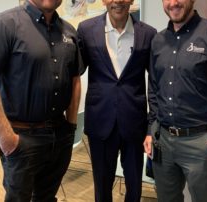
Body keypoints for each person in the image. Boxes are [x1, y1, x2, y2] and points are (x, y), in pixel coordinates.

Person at [0, 0, 84, 201]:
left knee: (47, 196)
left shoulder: (69, 31)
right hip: (21, 138)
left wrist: (71, 126)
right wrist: (8, 140)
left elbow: (75, 79)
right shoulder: (3, 24)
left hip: (60, 135)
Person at [143, 0, 207, 202]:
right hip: (162, 141)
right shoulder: (158, 41)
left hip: (199, 142)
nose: (173, 3)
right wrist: (151, 130)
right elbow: (154, 88)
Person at [77, 0, 156, 201]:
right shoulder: (86, 30)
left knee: (134, 187)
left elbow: (155, 84)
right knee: (102, 188)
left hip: (134, 123)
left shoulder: (148, 34)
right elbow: (73, 71)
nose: (118, 1)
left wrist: (151, 127)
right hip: (100, 121)